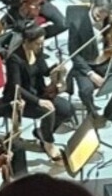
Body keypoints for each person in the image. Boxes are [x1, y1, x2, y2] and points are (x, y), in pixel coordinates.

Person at [5, 26, 71, 163]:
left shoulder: (37, 51)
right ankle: (48, 143)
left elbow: (44, 71)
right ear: (27, 41)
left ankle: (43, 132)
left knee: (67, 109)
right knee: (48, 111)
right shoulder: (14, 59)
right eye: (37, 43)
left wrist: (56, 69)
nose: (41, 46)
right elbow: (16, 87)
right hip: (21, 99)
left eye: (42, 42)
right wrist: (38, 101)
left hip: (38, 92)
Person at [66, 0, 112, 127]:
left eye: (106, 13)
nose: (101, 16)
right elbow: (75, 55)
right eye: (100, 12)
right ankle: (92, 111)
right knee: (86, 90)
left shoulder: (109, 21)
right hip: (85, 65)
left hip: (105, 62)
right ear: (93, 6)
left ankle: (111, 113)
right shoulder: (77, 24)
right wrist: (91, 74)